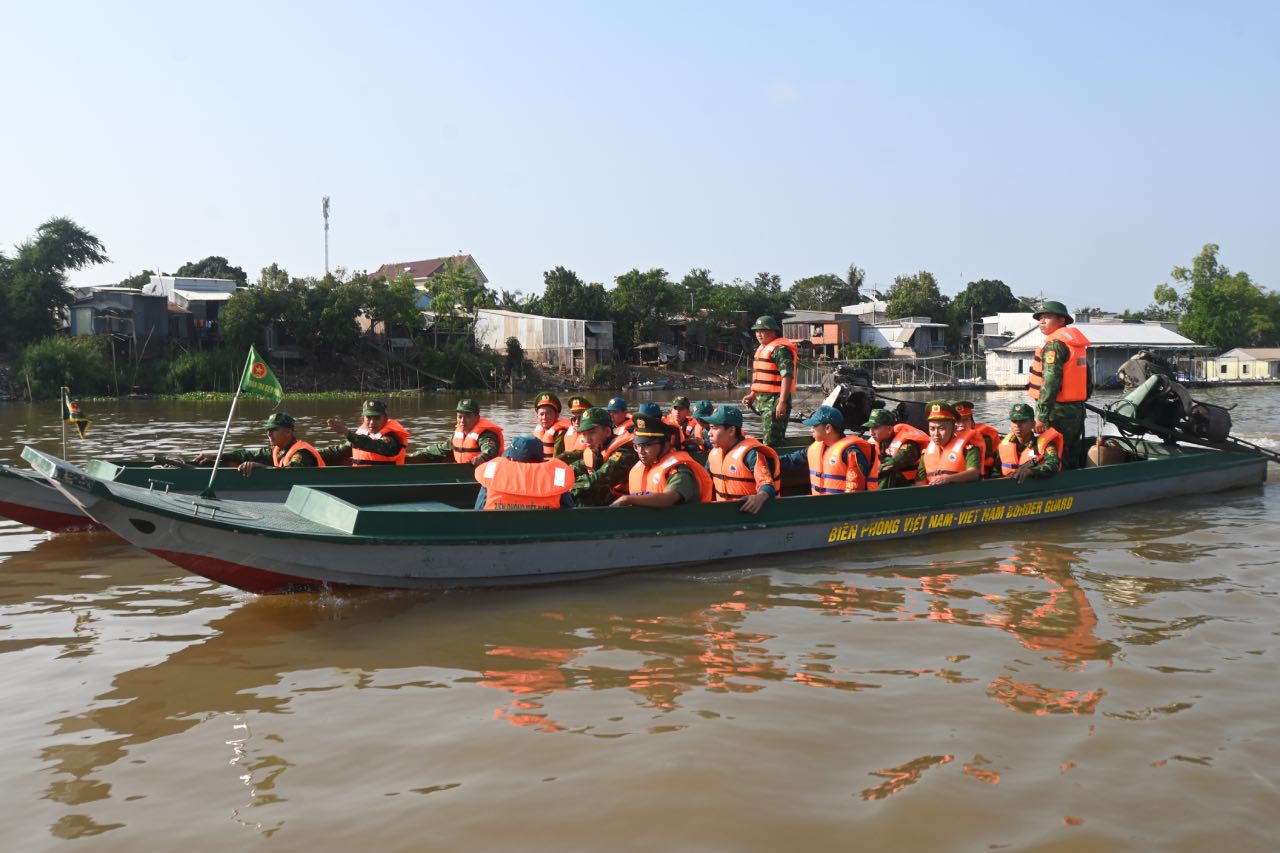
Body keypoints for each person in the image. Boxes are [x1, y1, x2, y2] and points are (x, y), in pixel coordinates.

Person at [1027, 300, 1091, 470]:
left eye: (1047, 317)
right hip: (1076, 410)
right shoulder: (1075, 344)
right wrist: (1079, 402)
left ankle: (1058, 484)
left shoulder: (1054, 345)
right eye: (1040, 318)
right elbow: (1087, 379)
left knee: (1054, 452)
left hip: (1056, 412)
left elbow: (1050, 382)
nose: (1041, 321)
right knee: (1070, 453)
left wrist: (1041, 416)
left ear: (1061, 320)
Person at [612, 414, 712, 508]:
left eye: (647, 445)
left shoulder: (679, 472)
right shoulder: (640, 467)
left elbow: (668, 498)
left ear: (665, 446)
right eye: (637, 446)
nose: (641, 451)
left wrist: (627, 499)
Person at [778, 405, 874, 494]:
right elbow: (789, 460)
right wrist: (770, 459)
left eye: (814, 425)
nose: (811, 430)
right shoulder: (814, 449)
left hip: (841, 505)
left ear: (828, 428)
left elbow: (855, 492)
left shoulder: (851, 453)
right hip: (820, 503)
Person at [194, 412, 326, 476]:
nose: (269, 434)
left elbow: (290, 474)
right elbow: (247, 455)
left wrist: (261, 467)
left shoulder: (301, 453)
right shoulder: (277, 450)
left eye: (274, 429)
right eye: (268, 430)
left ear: (288, 432)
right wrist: (216, 456)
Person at [703, 406, 780, 513]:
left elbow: (767, 484)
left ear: (731, 431)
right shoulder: (713, 454)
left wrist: (760, 497)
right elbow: (704, 481)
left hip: (747, 514)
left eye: (714, 428)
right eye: (710, 428)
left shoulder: (751, 454)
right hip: (722, 513)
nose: (709, 433)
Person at [474, 435, 575, 510]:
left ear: (511, 459)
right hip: (547, 529)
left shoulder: (491, 474)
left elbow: (479, 509)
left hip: (496, 528)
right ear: (541, 459)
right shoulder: (558, 477)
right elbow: (568, 511)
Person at [562, 407, 638, 506]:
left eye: (591, 433)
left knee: (581, 495)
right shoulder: (598, 450)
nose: (587, 440)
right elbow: (575, 467)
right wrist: (556, 478)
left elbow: (598, 479)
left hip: (625, 507)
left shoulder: (625, 453)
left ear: (607, 432)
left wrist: (568, 488)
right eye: (584, 434)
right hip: (607, 504)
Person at [741, 315, 798, 447]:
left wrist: (782, 402)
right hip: (763, 401)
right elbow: (760, 378)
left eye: (762, 330)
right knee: (768, 439)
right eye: (757, 331)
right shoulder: (762, 349)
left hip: (775, 400)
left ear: (773, 331)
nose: (758, 334)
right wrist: (753, 395)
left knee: (772, 442)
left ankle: (776, 459)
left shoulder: (781, 350)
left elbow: (787, 376)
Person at [408, 399, 504, 466]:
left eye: (467, 416)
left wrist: (481, 457)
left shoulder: (486, 435)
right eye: (459, 416)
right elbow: (440, 449)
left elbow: (490, 450)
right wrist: (414, 455)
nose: (462, 421)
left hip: (483, 474)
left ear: (477, 418)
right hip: (462, 471)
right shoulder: (458, 434)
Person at [324, 399, 412, 466]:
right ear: (363, 419)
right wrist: (316, 454)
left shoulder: (390, 439)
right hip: (361, 477)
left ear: (385, 419)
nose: (372, 422)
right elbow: (339, 451)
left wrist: (346, 432)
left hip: (385, 480)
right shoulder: (360, 436)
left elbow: (371, 444)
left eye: (377, 418)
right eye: (369, 418)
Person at [916, 400, 982, 486]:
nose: (936, 434)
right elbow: (919, 482)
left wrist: (948, 479)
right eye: (932, 429)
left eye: (941, 429)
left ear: (954, 429)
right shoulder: (925, 454)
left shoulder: (969, 449)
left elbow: (974, 473)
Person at [863, 408, 929, 489]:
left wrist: (870, 474)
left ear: (889, 429)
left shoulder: (908, 445)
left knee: (888, 472)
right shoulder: (875, 441)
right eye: (870, 428)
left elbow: (892, 464)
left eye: (875, 428)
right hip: (886, 483)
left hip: (907, 486)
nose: (871, 432)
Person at [998, 403, 1063, 483]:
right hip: (1008, 484)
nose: (1018, 425)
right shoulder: (1003, 444)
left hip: (1037, 485)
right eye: (1014, 421)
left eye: (1022, 421)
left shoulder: (1046, 444)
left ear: (1033, 424)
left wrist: (1031, 471)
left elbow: (1052, 465)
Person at [954, 400, 1001, 478]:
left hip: (985, 478)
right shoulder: (944, 440)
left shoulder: (988, 438)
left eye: (965, 420)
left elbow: (999, 459)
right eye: (957, 421)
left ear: (972, 422)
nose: (961, 424)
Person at [531, 391, 570, 459]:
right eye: (541, 414)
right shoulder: (537, 431)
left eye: (548, 413)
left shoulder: (561, 433)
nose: (544, 417)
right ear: (537, 416)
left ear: (557, 416)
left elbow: (556, 460)